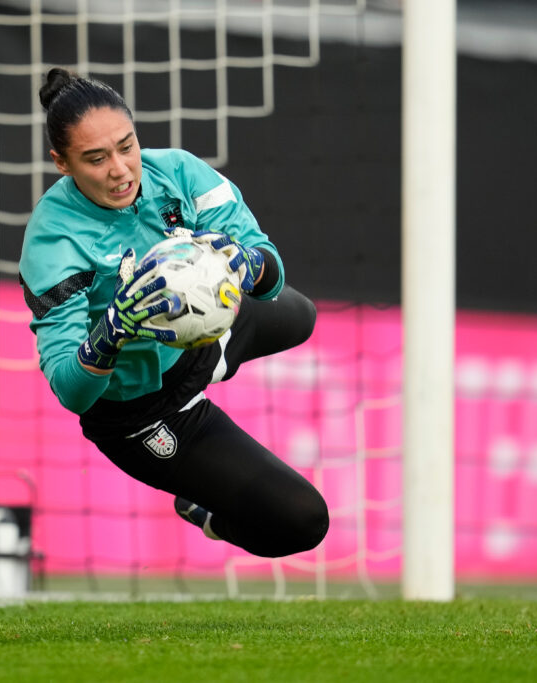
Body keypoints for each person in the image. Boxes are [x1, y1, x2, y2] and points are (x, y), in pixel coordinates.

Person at [18, 67, 328, 558]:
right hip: (142, 412)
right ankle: (203, 511)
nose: (120, 169)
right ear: (62, 163)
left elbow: (270, 271)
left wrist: (245, 263)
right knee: (302, 522)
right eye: (95, 159)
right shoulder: (52, 242)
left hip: (202, 344)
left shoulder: (179, 172)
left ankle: (221, 352)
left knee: (301, 315)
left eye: (126, 145)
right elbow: (71, 392)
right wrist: (112, 330)